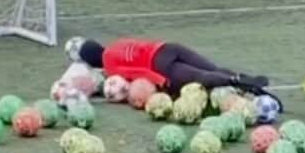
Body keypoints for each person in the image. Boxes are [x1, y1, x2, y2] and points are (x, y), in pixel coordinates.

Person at [78, 38, 281, 107]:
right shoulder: (116, 44)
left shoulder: (109, 65)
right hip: (166, 48)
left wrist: (161, 80)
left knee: (200, 78)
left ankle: (239, 82)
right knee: (211, 68)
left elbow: (136, 71)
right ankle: (242, 77)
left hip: (159, 65)